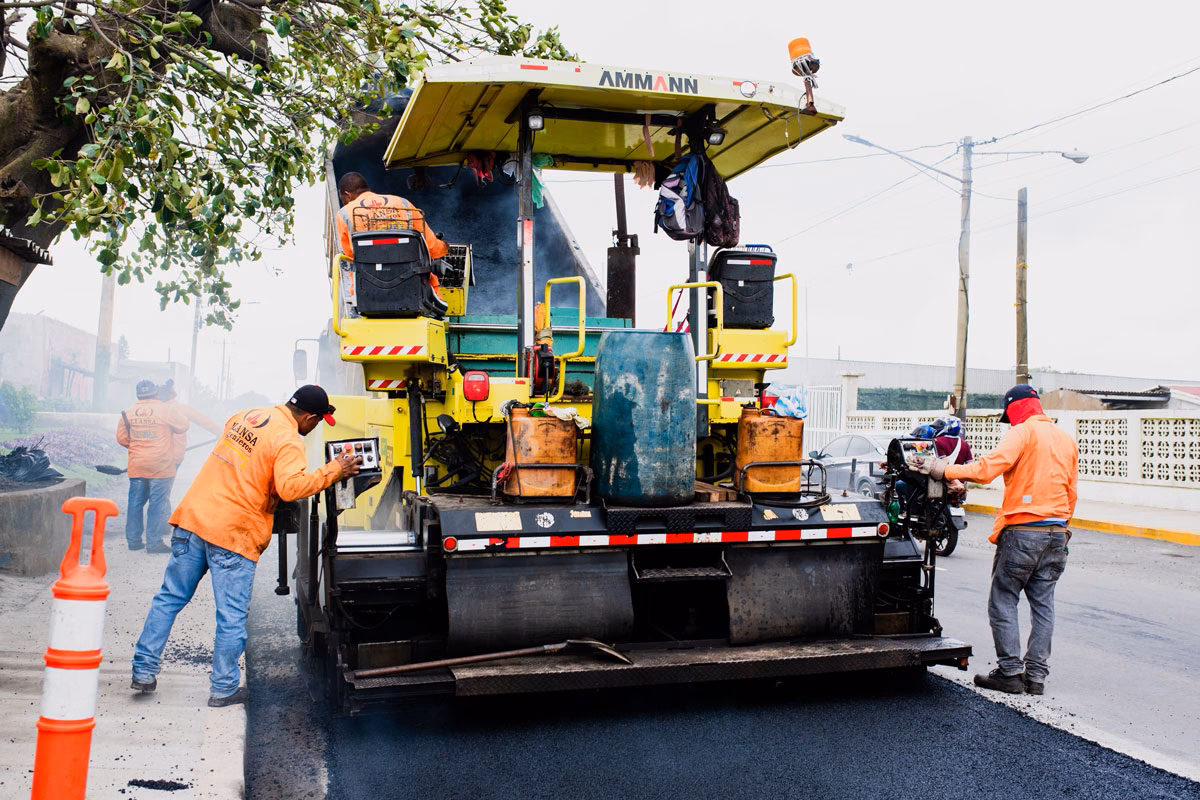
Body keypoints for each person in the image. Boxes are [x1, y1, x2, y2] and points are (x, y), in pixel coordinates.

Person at [131, 385, 362, 707]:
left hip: (193, 518)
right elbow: (291, 487)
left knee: (169, 598)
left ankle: (143, 670)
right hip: (232, 532)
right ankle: (223, 689)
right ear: (309, 417)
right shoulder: (289, 439)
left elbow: (245, 462)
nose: (315, 429)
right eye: (318, 422)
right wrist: (333, 470)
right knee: (231, 616)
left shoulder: (247, 416)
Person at [913, 385, 1078, 696]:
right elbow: (1072, 493)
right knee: (1044, 605)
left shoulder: (1023, 433)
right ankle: (1036, 677)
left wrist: (944, 470)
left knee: (1003, 598)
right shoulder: (1065, 439)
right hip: (1057, 532)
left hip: (1024, 530)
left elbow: (987, 470)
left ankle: (1010, 672)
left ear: (1014, 409)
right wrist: (1062, 530)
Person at [335, 171, 449, 299]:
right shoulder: (402, 203)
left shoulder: (345, 213)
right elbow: (432, 248)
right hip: (416, 291)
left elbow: (351, 254)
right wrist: (445, 247)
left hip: (368, 294)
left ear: (347, 195)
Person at [116, 380, 189, 553]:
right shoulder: (167, 410)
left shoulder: (128, 413)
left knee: (135, 503)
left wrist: (139, 446)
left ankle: (133, 541)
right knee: (157, 504)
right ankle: (154, 543)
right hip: (161, 466)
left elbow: (122, 439)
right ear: (156, 393)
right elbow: (183, 426)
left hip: (137, 465)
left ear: (138, 395)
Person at [158, 379, 223, 468]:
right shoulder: (182, 409)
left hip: (152, 456)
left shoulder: (152, 411)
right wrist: (220, 433)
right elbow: (204, 421)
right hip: (173, 457)